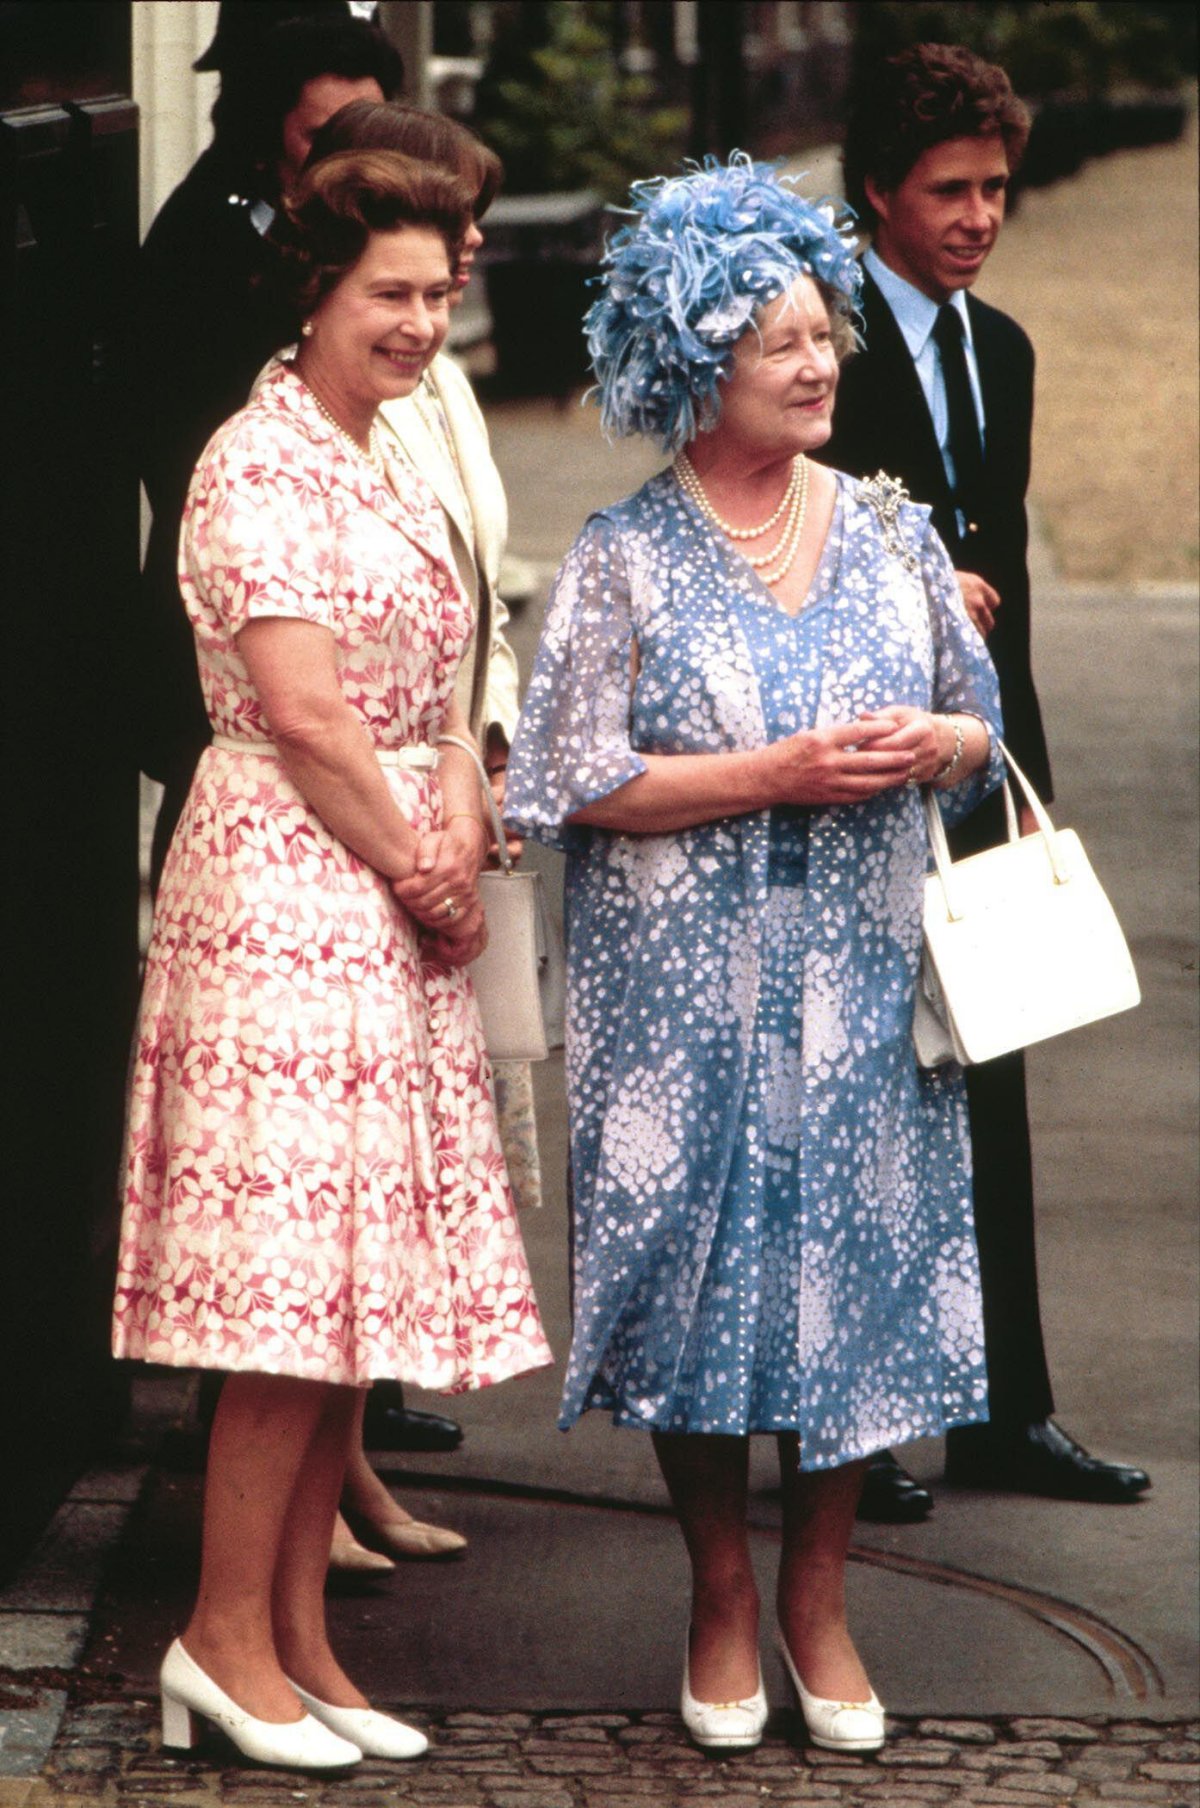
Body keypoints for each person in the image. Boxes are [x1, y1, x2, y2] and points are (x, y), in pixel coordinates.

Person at [505, 155, 1004, 1757]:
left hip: (863, 991)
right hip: (681, 1005)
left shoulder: (888, 529)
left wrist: (938, 739)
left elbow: (981, 735)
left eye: (825, 334)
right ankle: (723, 1590)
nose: (819, 363)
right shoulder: (621, 560)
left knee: (851, 1278)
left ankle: (822, 1599)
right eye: (778, 340)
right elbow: (572, 781)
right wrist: (771, 777)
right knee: (705, 1281)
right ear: (692, 360)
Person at [112, 148, 552, 1770]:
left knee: (350, 1293)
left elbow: (433, 678)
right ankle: (219, 1640)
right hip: (286, 901)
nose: (424, 322)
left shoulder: (373, 455)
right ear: (313, 290)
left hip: (376, 890)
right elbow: (300, 709)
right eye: (392, 292)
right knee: (287, 1296)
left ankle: (295, 1642)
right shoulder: (257, 460)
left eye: (443, 292)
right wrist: (422, 868)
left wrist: (458, 808)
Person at [819, 41, 1151, 1521]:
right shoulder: (816, 340)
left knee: (993, 1074)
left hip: (981, 760)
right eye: (948, 190)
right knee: (865, 1095)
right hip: (854, 763)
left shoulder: (1000, 348)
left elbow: (1005, 570)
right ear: (878, 189)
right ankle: (856, 1420)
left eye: (997, 189)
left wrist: (1027, 774)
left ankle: (1006, 1411)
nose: (977, 216)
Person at [301, 98, 538, 1571]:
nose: (447, 283)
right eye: (431, 253)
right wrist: (426, 835)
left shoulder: (428, 387)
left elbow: (471, 576)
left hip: (443, 774)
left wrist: (480, 758)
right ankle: (301, 1504)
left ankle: (352, 1475)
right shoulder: (311, 419)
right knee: (317, 1216)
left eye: (454, 264)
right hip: (352, 839)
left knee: (386, 1197)